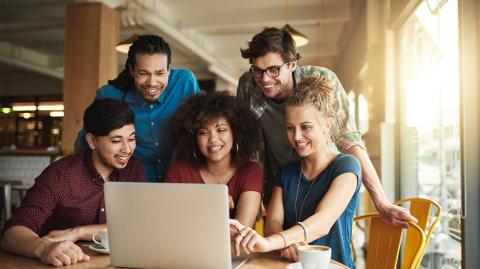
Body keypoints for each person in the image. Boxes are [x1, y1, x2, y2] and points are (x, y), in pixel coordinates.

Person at [237, 27, 416, 228]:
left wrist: (381, 202)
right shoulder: (248, 85)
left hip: (323, 183)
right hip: (281, 187)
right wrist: (249, 199)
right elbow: (249, 152)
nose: (265, 79)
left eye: (273, 70)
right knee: (282, 249)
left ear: (293, 64)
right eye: (257, 70)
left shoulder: (323, 80)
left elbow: (348, 140)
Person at [231, 74, 360, 268]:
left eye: (306, 127)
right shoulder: (287, 172)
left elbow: (322, 222)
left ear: (327, 124)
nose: (296, 137)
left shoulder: (347, 166)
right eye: (290, 128)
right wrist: (286, 244)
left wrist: (271, 243)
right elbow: (273, 222)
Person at [1, 99, 146, 267]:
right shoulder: (60, 175)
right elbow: (11, 234)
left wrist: (79, 232)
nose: (127, 149)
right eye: (116, 141)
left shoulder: (133, 170)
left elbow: (138, 226)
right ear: (92, 141)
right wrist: (43, 248)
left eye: (131, 139)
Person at [75, 35, 200, 182]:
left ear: (168, 70)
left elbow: (200, 128)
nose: (152, 82)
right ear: (132, 70)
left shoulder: (185, 83)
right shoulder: (109, 95)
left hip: (179, 180)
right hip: (131, 182)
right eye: (143, 73)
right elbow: (85, 143)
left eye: (160, 73)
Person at [164, 91, 263, 228]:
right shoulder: (179, 169)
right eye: (203, 132)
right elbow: (168, 223)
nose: (213, 139)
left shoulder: (250, 171)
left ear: (236, 133)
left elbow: (240, 233)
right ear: (193, 137)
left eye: (221, 130)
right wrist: (211, 203)